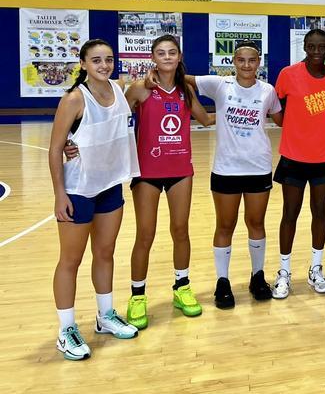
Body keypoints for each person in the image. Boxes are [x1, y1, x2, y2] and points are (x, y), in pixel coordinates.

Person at [49, 39, 140, 360]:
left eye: (109, 59)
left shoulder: (118, 88)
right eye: (97, 60)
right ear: (84, 64)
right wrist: (60, 194)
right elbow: (54, 147)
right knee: (70, 260)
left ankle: (105, 315)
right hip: (78, 191)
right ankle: (66, 329)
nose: (104, 65)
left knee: (105, 253)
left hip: (110, 187)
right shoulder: (74, 99)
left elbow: (148, 81)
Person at [119, 35, 213, 329]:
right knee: (145, 235)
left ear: (179, 56)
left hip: (180, 170)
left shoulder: (185, 89)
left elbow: (205, 120)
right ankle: (137, 297)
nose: (167, 57)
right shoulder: (140, 89)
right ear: (153, 57)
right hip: (146, 172)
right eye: (161, 53)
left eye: (172, 52)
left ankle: (181, 287)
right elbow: (115, 117)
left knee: (180, 230)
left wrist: (242, 106)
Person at [188, 41, 283, 308]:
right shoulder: (220, 85)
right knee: (225, 226)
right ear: (233, 61)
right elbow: (179, 76)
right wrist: (199, 110)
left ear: (259, 62)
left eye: (251, 60)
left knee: (256, 223)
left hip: (258, 166)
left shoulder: (268, 91)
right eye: (240, 60)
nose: (246, 65)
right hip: (226, 168)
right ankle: (223, 282)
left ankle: (257, 276)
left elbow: (282, 119)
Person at [271, 29, 325, 298]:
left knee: (320, 212)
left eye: (322, 46)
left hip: (324, 157)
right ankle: (284, 272)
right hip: (293, 156)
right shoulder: (288, 74)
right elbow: (276, 106)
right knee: (289, 214)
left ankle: (316, 268)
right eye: (311, 46)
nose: (317, 51)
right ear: (304, 47)